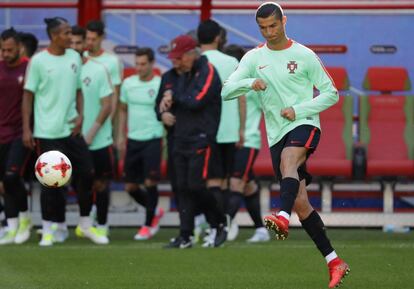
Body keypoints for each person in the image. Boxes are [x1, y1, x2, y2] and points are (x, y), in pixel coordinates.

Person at [221, 3, 350, 288]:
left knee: (288, 161)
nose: (269, 32)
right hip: (276, 133)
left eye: (273, 26)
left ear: (284, 22)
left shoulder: (304, 55)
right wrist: (250, 82)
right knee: (302, 204)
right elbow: (226, 90)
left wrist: (300, 109)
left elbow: (331, 94)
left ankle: (281, 216)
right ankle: (334, 261)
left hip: (304, 124)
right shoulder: (254, 58)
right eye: (263, 28)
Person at [22, 17, 107, 246]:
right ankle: (49, 229)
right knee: (51, 183)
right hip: (47, 132)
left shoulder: (74, 58)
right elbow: (28, 96)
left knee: (88, 173)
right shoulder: (39, 61)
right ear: (54, 36)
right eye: (66, 32)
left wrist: (80, 115)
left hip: (71, 130)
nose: (71, 36)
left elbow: (78, 89)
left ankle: (85, 224)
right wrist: (26, 129)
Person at [160, 35, 227, 249]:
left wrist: (173, 95)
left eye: (179, 57)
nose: (176, 61)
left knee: (196, 186)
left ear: (191, 54)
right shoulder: (178, 75)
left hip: (201, 137)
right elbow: (166, 103)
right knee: (181, 188)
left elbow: (196, 100)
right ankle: (185, 235)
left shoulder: (207, 70)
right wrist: (163, 109)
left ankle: (219, 223)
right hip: (179, 137)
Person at [196, 20, 244, 247]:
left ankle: (215, 229)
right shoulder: (232, 61)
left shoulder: (197, 61)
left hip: (205, 131)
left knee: (210, 183)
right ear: (218, 38)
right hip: (229, 130)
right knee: (223, 183)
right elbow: (242, 96)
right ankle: (220, 228)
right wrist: (242, 127)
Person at [222, 44, 270, 243]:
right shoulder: (227, 83)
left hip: (248, 141)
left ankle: (221, 228)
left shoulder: (254, 84)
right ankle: (261, 229)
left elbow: (270, 107)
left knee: (235, 183)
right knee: (248, 185)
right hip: (228, 140)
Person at [118, 47, 164, 240]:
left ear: (152, 64)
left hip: (153, 138)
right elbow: (122, 110)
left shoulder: (160, 84)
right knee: (130, 186)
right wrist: (120, 135)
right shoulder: (128, 84)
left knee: (150, 182)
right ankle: (154, 211)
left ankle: (147, 225)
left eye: (143, 64)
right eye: (136, 64)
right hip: (133, 140)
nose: (139, 67)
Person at [78, 44, 114, 243]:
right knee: (71, 182)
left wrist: (92, 131)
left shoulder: (99, 68)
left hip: (98, 139)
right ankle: (58, 226)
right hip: (71, 139)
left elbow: (108, 104)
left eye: (77, 42)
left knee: (100, 184)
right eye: (71, 42)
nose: (74, 46)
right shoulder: (64, 70)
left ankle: (102, 225)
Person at [0, 28, 32, 245]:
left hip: (20, 133)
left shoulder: (29, 67)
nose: (5, 54)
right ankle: (11, 227)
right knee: (3, 183)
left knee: (12, 177)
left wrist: (30, 129)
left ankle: (25, 219)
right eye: (2, 50)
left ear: (19, 47)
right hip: (0, 133)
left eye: (9, 50)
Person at [84, 20, 123, 121]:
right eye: (87, 39)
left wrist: (109, 121)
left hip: (103, 118)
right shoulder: (79, 58)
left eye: (93, 39)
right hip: (82, 119)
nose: (89, 43)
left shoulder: (113, 61)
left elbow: (115, 95)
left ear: (102, 38)